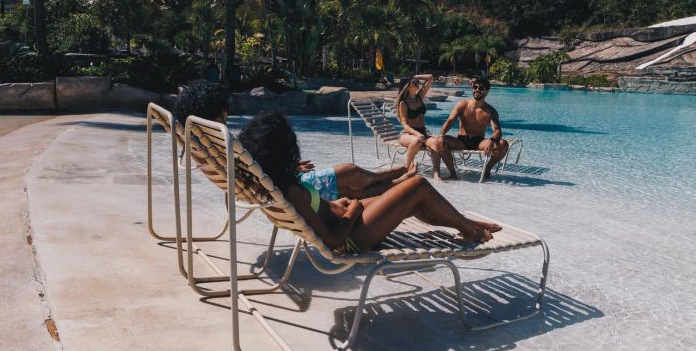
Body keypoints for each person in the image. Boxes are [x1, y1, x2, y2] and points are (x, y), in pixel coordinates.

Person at [238, 111, 502, 252]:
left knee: (405, 195)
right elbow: (331, 241)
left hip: (350, 223)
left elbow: (318, 212)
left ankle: (463, 222)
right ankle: (468, 230)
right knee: (417, 186)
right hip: (353, 237)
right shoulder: (293, 191)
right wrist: (351, 211)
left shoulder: (274, 182)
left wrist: (337, 205)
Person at [172, 81, 415, 200]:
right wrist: (287, 170)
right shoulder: (220, 138)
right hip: (281, 189)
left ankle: (394, 180)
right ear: (215, 112)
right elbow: (253, 172)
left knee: (350, 185)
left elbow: (250, 170)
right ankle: (394, 179)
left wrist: (288, 167)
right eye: (223, 109)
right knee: (349, 173)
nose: (226, 112)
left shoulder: (204, 140)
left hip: (270, 182)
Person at [430, 77, 510, 181]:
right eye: (475, 87)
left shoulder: (490, 111)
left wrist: (491, 140)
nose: (477, 90)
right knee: (441, 140)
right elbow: (450, 120)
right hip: (461, 141)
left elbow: (497, 131)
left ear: (487, 92)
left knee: (503, 144)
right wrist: (442, 134)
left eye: (481, 88)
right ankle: (453, 173)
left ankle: (487, 169)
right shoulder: (463, 104)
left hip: (479, 142)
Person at [396, 74, 439, 169]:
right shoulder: (403, 103)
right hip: (408, 134)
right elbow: (404, 124)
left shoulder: (419, 97)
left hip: (422, 132)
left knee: (436, 142)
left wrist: (415, 77)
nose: (417, 83)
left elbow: (431, 77)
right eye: (414, 82)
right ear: (407, 87)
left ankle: (437, 173)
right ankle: (406, 168)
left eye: (417, 82)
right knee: (417, 141)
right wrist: (417, 134)